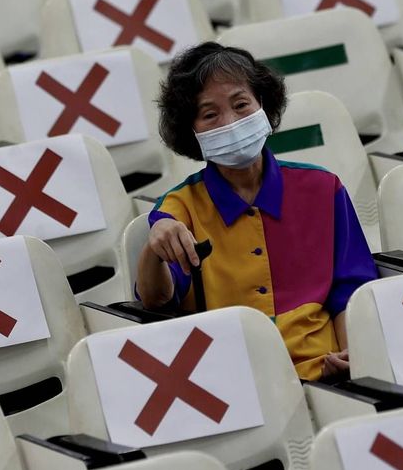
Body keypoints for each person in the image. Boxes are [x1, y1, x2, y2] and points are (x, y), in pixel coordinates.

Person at [136, 42, 378, 381]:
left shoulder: (324, 189)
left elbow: (350, 290)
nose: (231, 122)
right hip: (234, 382)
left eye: (241, 104)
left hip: (326, 373)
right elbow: (157, 301)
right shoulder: (178, 208)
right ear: (191, 132)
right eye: (210, 114)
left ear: (263, 105)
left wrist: (354, 358)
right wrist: (153, 248)